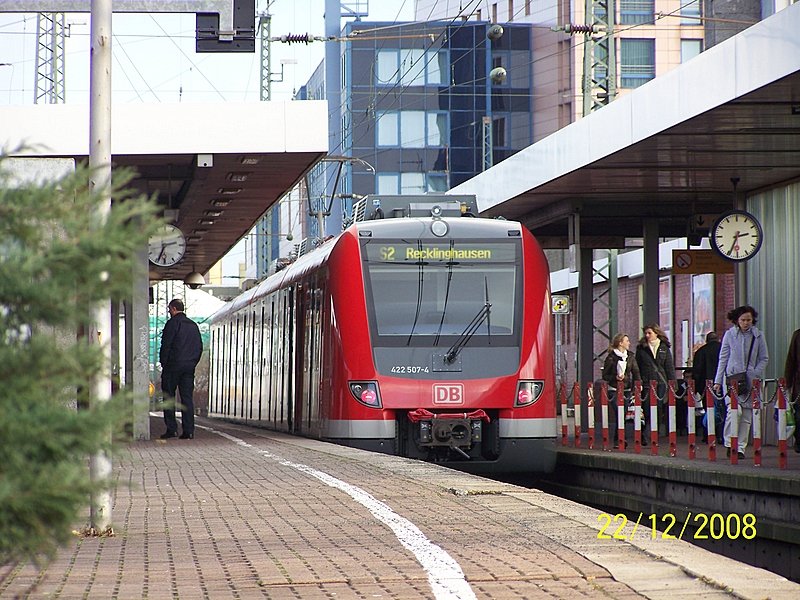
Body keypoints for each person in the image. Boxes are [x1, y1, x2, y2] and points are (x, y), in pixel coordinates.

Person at [714, 305, 768, 458]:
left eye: (749, 320)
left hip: (751, 380)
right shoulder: (729, 335)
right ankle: (730, 443)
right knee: (734, 411)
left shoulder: (758, 336)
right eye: (743, 320)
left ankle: (740, 448)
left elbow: (764, 357)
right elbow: (723, 358)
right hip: (733, 379)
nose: (746, 323)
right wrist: (718, 380)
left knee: (746, 415)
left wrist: (755, 372)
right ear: (736, 321)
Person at [159, 298, 203, 440]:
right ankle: (188, 431)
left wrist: (164, 363)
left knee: (169, 397)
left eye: (169, 309)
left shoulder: (172, 324)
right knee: (187, 399)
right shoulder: (193, 326)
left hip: (172, 366)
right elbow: (199, 347)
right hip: (188, 367)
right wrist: (192, 362)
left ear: (173, 309)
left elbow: (166, 345)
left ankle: (172, 429)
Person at [635, 323, 675, 442]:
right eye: (646, 333)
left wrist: (673, 384)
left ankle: (653, 434)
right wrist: (638, 382)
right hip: (647, 382)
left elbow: (669, 367)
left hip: (661, 382)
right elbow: (637, 366)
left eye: (649, 333)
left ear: (656, 333)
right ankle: (647, 430)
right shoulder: (641, 348)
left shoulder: (664, 347)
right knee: (647, 407)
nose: (647, 335)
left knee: (658, 407)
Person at [602, 333, 641, 448]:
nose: (629, 343)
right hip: (614, 389)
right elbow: (605, 375)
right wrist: (615, 377)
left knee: (623, 413)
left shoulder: (631, 356)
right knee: (620, 412)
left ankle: (620, 439)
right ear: (620, 343)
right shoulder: (611, 357)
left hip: (627, 389)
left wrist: (638, 384)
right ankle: (619, 439)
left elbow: (636, 371)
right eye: (627, 341)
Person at [692, 331, 722, 442]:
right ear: (718, 339)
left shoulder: (700, 352)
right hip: (721, 384)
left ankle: (708, 434)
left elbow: (697, 371)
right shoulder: (723, 349)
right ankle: (721, 435)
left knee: (708, 409)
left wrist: (698, 388)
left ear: (707, 340)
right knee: (721, 409)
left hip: (706, 386)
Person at [784, 328, 800, 453]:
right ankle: (799, 441)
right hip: (799, 384)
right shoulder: (798, 335)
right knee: (798, 415)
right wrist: (787, 383)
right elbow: (791, 360)